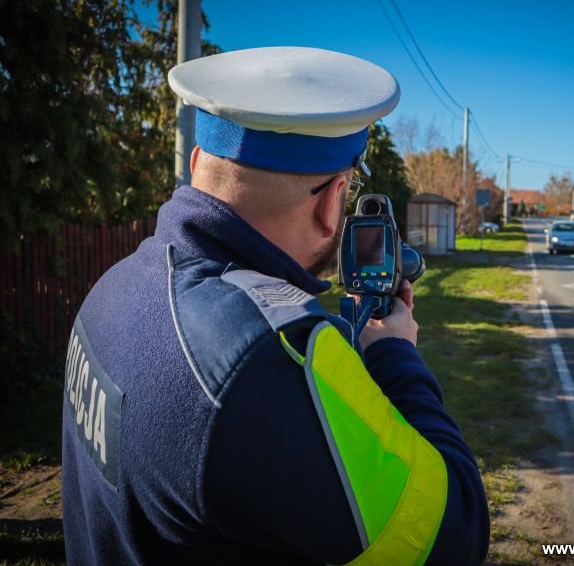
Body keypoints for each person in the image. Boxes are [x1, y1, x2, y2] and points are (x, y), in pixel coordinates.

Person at [61, 47, 489, 565]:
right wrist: (396, 356)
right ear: (333, 201)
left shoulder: (111, 289)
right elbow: (454, 536)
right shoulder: (269, 360)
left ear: (198, 163)